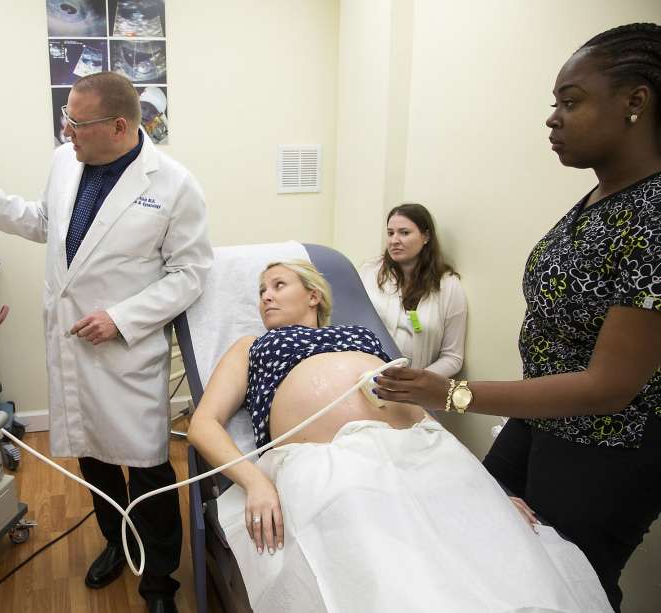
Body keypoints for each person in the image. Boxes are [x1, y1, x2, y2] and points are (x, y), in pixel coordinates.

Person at [375, 23, 661, 613]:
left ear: (636, 101)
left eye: (571, 101)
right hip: (543, 421)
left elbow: (610, 388)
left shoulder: (653, 213)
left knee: (567, 585)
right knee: (490, 535)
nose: (552, 119)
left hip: (608, 446)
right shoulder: (600, 198)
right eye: (554, 103)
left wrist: (452, 394)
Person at [187, 261, 611, 613]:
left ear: (314, 295)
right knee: (391, 573)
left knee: (504, 553)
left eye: (278, 285)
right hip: (329, 459)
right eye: (261, 290)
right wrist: (256, 482)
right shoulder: (252, 345)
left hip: (422, 450)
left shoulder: (363, 336)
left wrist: (490, 489)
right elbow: (203, 423)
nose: (265, 296)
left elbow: (419, 405)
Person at [0, 72, 213, 613]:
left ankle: (159, 580)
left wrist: (122, 318)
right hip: (73, 343)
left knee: (147, 468)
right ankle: (117, 542)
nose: (66, 130)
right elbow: (46, 222)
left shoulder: (172, 184)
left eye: (76, 121)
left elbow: (191, 274)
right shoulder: (64, 161)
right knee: (94, 460)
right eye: (65, 118)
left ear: (119, 126)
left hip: (126, 351)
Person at [359, 203, 467, 377]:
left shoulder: (448, 286)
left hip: (417, 392)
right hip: (366, 378)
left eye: (404, 233)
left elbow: (453, 357)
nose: (394, 240)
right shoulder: (369, 273)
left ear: (426, 237)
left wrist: (416, 382)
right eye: (390, 233)